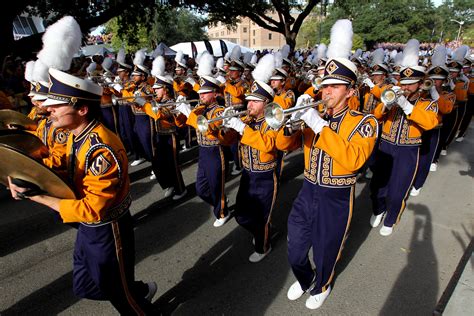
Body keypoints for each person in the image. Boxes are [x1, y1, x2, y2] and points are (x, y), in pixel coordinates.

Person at [8, 68, 157, 314]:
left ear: (82, 110)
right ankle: (137, 291)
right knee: (86, 284)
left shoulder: (102, 149)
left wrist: (39, 196)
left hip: (107, 227)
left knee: (117, 293)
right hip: (89, 226)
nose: (49, 109)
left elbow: (92, 209)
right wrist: (23, 175)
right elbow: (62, 170)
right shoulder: (75, 135)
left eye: (57, 106)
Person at [276, 19, 379, 310]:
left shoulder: (365, 123)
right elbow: (285, 147)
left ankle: (322, 284)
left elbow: (353, 161)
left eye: (335, 87)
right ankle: (306, 277)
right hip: (308, 189)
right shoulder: (314, 114)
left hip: (336, 196)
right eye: (325, 86)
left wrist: (321, 128)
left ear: (350, 91)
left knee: (326, 249)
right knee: (295, 249)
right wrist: (287, 127)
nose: (327, 92)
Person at [369, 39, 438, 236]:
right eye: (404, 83)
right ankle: (379, 209)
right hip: (386, 146)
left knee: (397, 190)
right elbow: (376, 116)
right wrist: (386, 105)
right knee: (377, 187)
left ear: (419, 84)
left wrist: (407, 107)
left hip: (408, 151)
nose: (406, 88)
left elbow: (430, 123)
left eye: (411, 84)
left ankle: (391, 219)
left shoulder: (427, 103)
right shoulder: (394, 95)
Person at [223, 73, 278, 263]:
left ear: (266, 103)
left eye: (255, 102)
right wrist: (226, 127)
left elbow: (268, 144)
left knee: (261, 217)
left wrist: (242, 128)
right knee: (241, 215)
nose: (249, 105)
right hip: (247, 174)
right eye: (249, 101)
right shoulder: (247, 121)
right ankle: (261, 231)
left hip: (264, 176)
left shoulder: (274, 121)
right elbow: (228, 141)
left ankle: (263, 246)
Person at [175, 75, 237, 227]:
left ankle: (223, 212)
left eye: (205, 93)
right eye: (200, 93)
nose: (201, 95)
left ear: (215, 94)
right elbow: (181, 124)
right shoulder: (199, 108)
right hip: (203, 152)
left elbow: (208, 129)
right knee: (201, 189)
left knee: (216, 186)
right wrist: (178, 111)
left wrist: (189, 113)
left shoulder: (220, 111)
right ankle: (220, 201)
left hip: (215, 152)